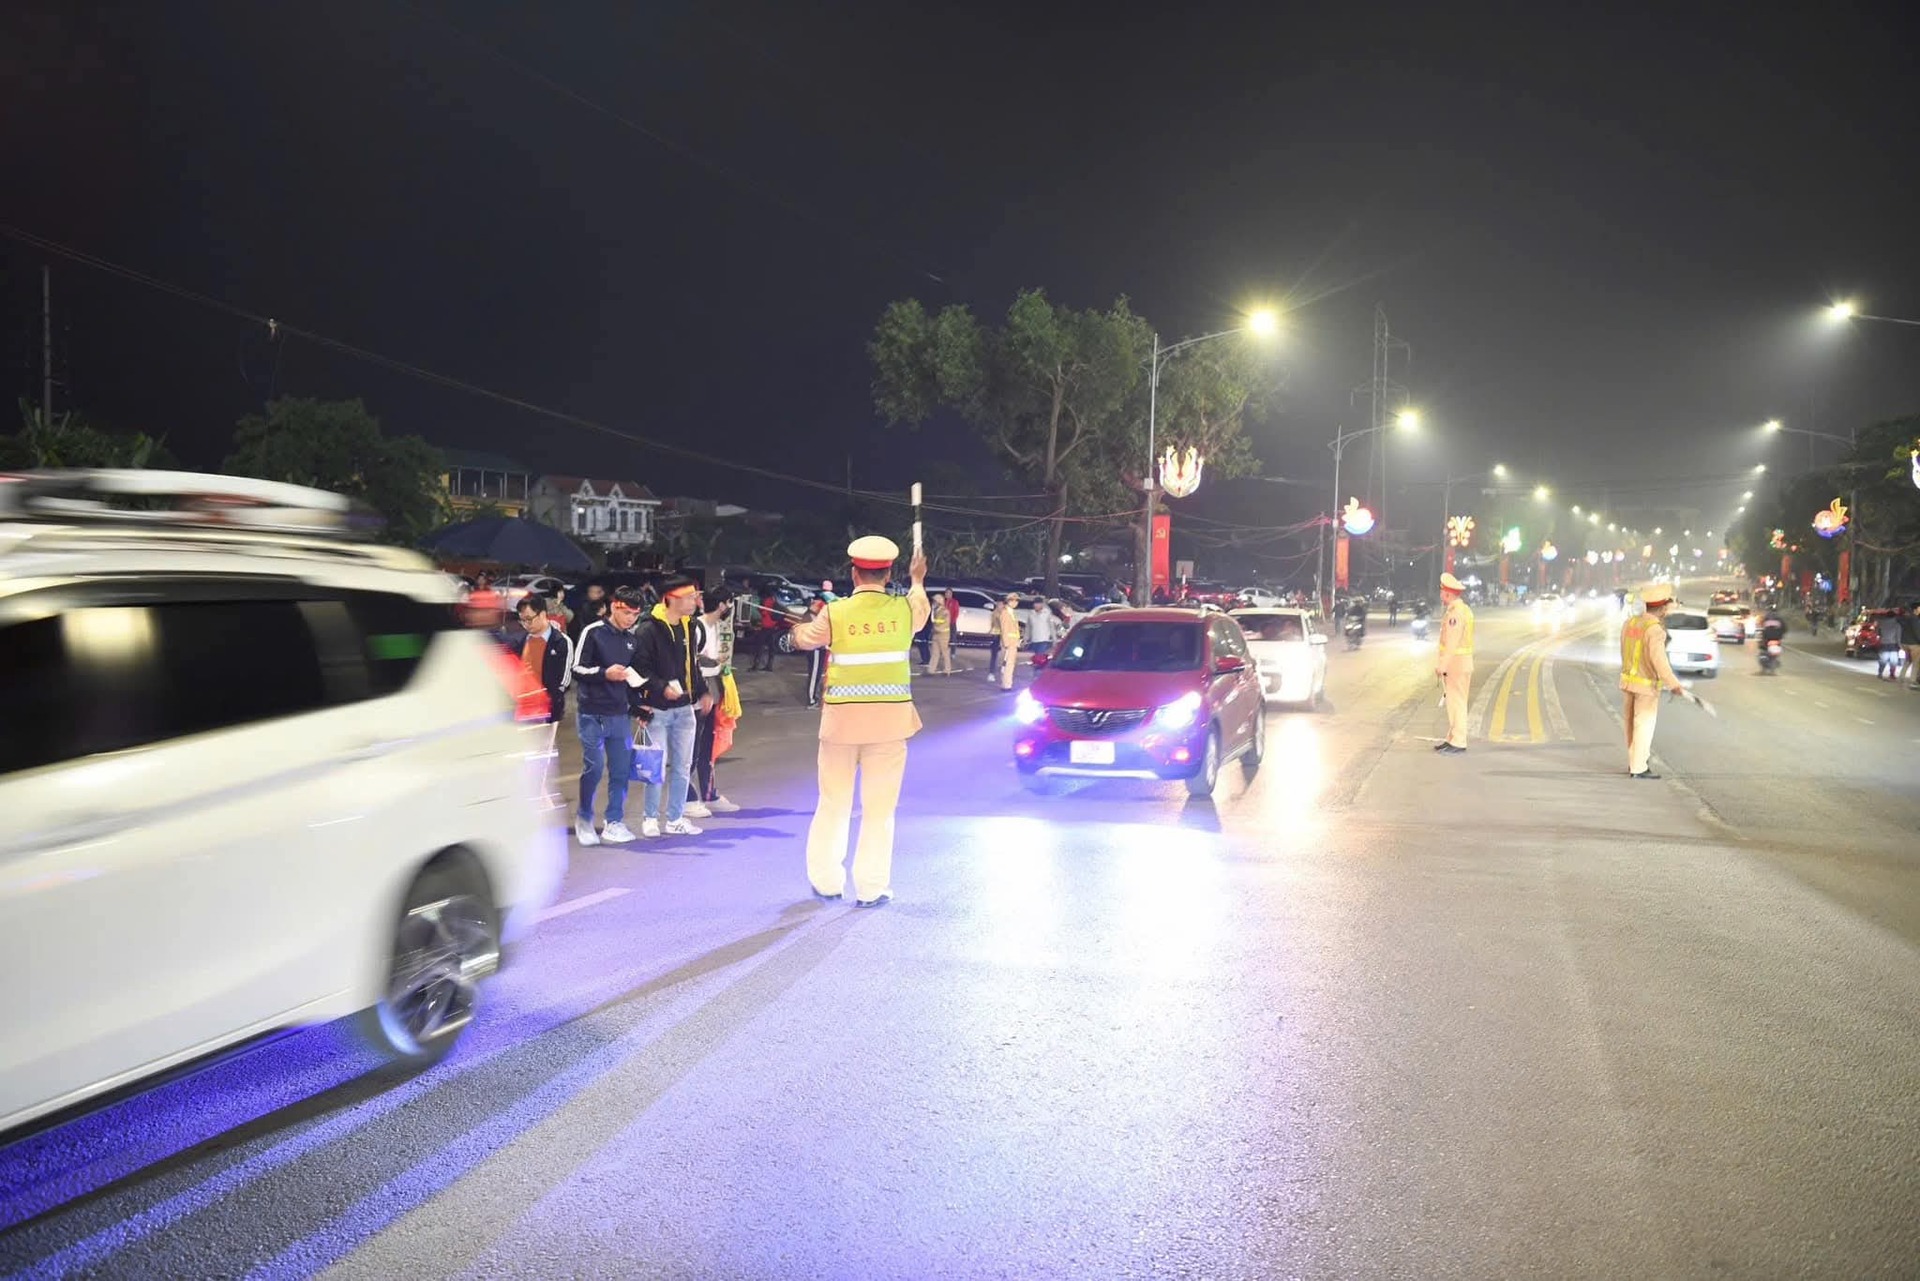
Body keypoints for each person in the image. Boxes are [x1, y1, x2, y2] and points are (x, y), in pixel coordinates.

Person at [784, 535, 930, 906]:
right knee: (879, 811)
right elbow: (920, 605)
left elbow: (804, 640)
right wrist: (917, 579)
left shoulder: (835, 612)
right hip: (889, 727)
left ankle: (827, 882)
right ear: (889, 572)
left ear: (853, 573)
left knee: (833, 804)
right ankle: (870, 888)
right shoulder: (904, 611)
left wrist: (793, 633)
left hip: (841, 727)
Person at [632, 576, 711, 837]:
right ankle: (650, 818)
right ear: (672, 598)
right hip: (658, 710)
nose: (695, 601)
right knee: (655, 765)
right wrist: (660, 687)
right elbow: (639, 667)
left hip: (685, 708)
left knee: (682, 766)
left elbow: (691, 664)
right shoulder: (648, 630)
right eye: (690, 596)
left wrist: (702, 691)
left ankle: (675, 818)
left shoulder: (689, 626)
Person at [570, 586, 646, 844]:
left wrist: (639, 707)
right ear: (614, 606)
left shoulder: (632, 640)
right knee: (594, 767)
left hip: (619, 714)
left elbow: (630, 679)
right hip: (592, 713)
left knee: (621, 770)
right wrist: (604, 673)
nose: (631, 619)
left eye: (635, 614)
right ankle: (584, 818)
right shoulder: (593, 633)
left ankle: (614, 821)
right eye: (627, 612)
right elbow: (577, 669)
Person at [1618, 583, 1688, 780]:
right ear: (1663, 607)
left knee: (1631, 726)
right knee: (1644, 726)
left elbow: (1624, 650)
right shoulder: (1655, 630)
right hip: (1646, 686)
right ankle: (1639, 768)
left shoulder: (1630, 623)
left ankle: (1634, 762)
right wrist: (1673, 684)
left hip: (1627, 681)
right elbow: (1659, 661)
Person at [686, 586, 740, 816]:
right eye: (729, 604)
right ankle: (686, 799)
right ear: (721, 604)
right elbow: (691, 662)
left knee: (708, 746)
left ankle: (709, 794)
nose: (730, 608)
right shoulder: (698, 627)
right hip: (699, 693)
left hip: (712, 691)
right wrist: (702, 692)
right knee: (692, 747)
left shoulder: (716, 626)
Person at [517, 592, 575, 723]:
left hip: (546, 709)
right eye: (522, 620)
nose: (526, 624)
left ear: (542, 614)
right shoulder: (523, 640)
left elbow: (565, 679)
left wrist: (551, 699)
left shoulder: (561, 642)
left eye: (529, 619)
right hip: (523, 706)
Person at [1434, 573, 1475, 754]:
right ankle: (1452, 738)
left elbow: (1452, 642)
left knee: (1456, 703)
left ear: (1448, 593)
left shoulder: (1455, 614)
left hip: (1456, 664)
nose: (1441, 593)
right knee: (1453, 702)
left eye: (1442, 591)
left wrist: (1443, 664)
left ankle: (1458, 741)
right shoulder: (1459, 610)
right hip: (1459, 664)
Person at [993, 593, 1023, 690]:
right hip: (1009, 643)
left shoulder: (1011, 612)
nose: (1016, 603)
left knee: (1009, 664)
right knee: (1008, 664)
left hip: (1013, 642)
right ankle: (1006, 685)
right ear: (1009, 601)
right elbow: (1005, 629)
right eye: (1014, 600)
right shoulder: (1005, 613)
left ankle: (1007, 683)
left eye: (1017, 601)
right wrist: (1006, 644)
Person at [804, 596, 829, 707]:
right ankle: (811, 699)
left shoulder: (817, 616)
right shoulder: (809, 617)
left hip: (820, 648)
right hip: (815, 649)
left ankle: (815, 696)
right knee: (814, 674)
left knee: (818, 674)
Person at [927, 590, 956, 675]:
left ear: (939, 602)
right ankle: (931, 670)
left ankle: (947, 670)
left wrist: (936, 628)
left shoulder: (945, 611)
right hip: (936, 634)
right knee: (935, 653)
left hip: (943, 635)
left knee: (945, 653)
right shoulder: (936, 611)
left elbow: (946, 623)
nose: (933, 602)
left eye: (935, 601)